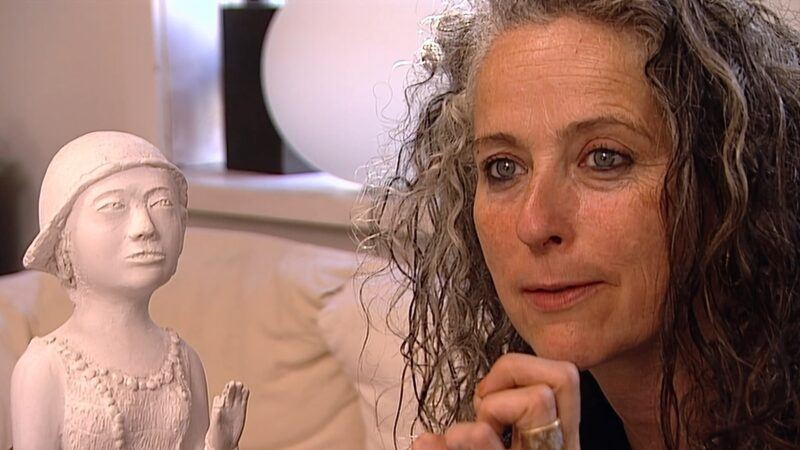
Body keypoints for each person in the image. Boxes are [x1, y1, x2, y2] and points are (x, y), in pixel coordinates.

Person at [362, 0, 800, 449]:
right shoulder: (548, 429)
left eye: (604, 158)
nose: (534, 224)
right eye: (503, 168)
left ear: (725, 178)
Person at [11, 131, 248, 449]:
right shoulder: (45, 369)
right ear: (64, 240)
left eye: (161, 203)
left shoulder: (184, 364)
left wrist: (220, 444)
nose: (145, 227)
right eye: (113, 206)